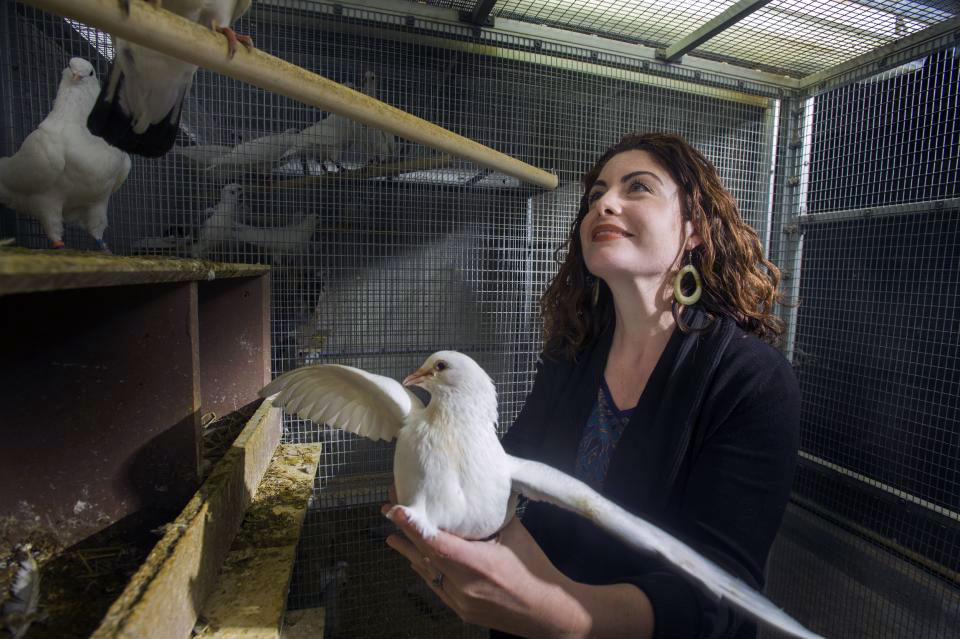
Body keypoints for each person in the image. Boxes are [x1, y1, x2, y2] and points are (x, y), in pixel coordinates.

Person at [383, 132, 800, 638]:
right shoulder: (571, 354)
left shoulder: (751, 380)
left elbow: (725, 594)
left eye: (638, 188)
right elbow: (503, 469)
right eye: (596, 194)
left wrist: (562, 616)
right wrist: (441, 483)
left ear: (693, 227)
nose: (605, 203)